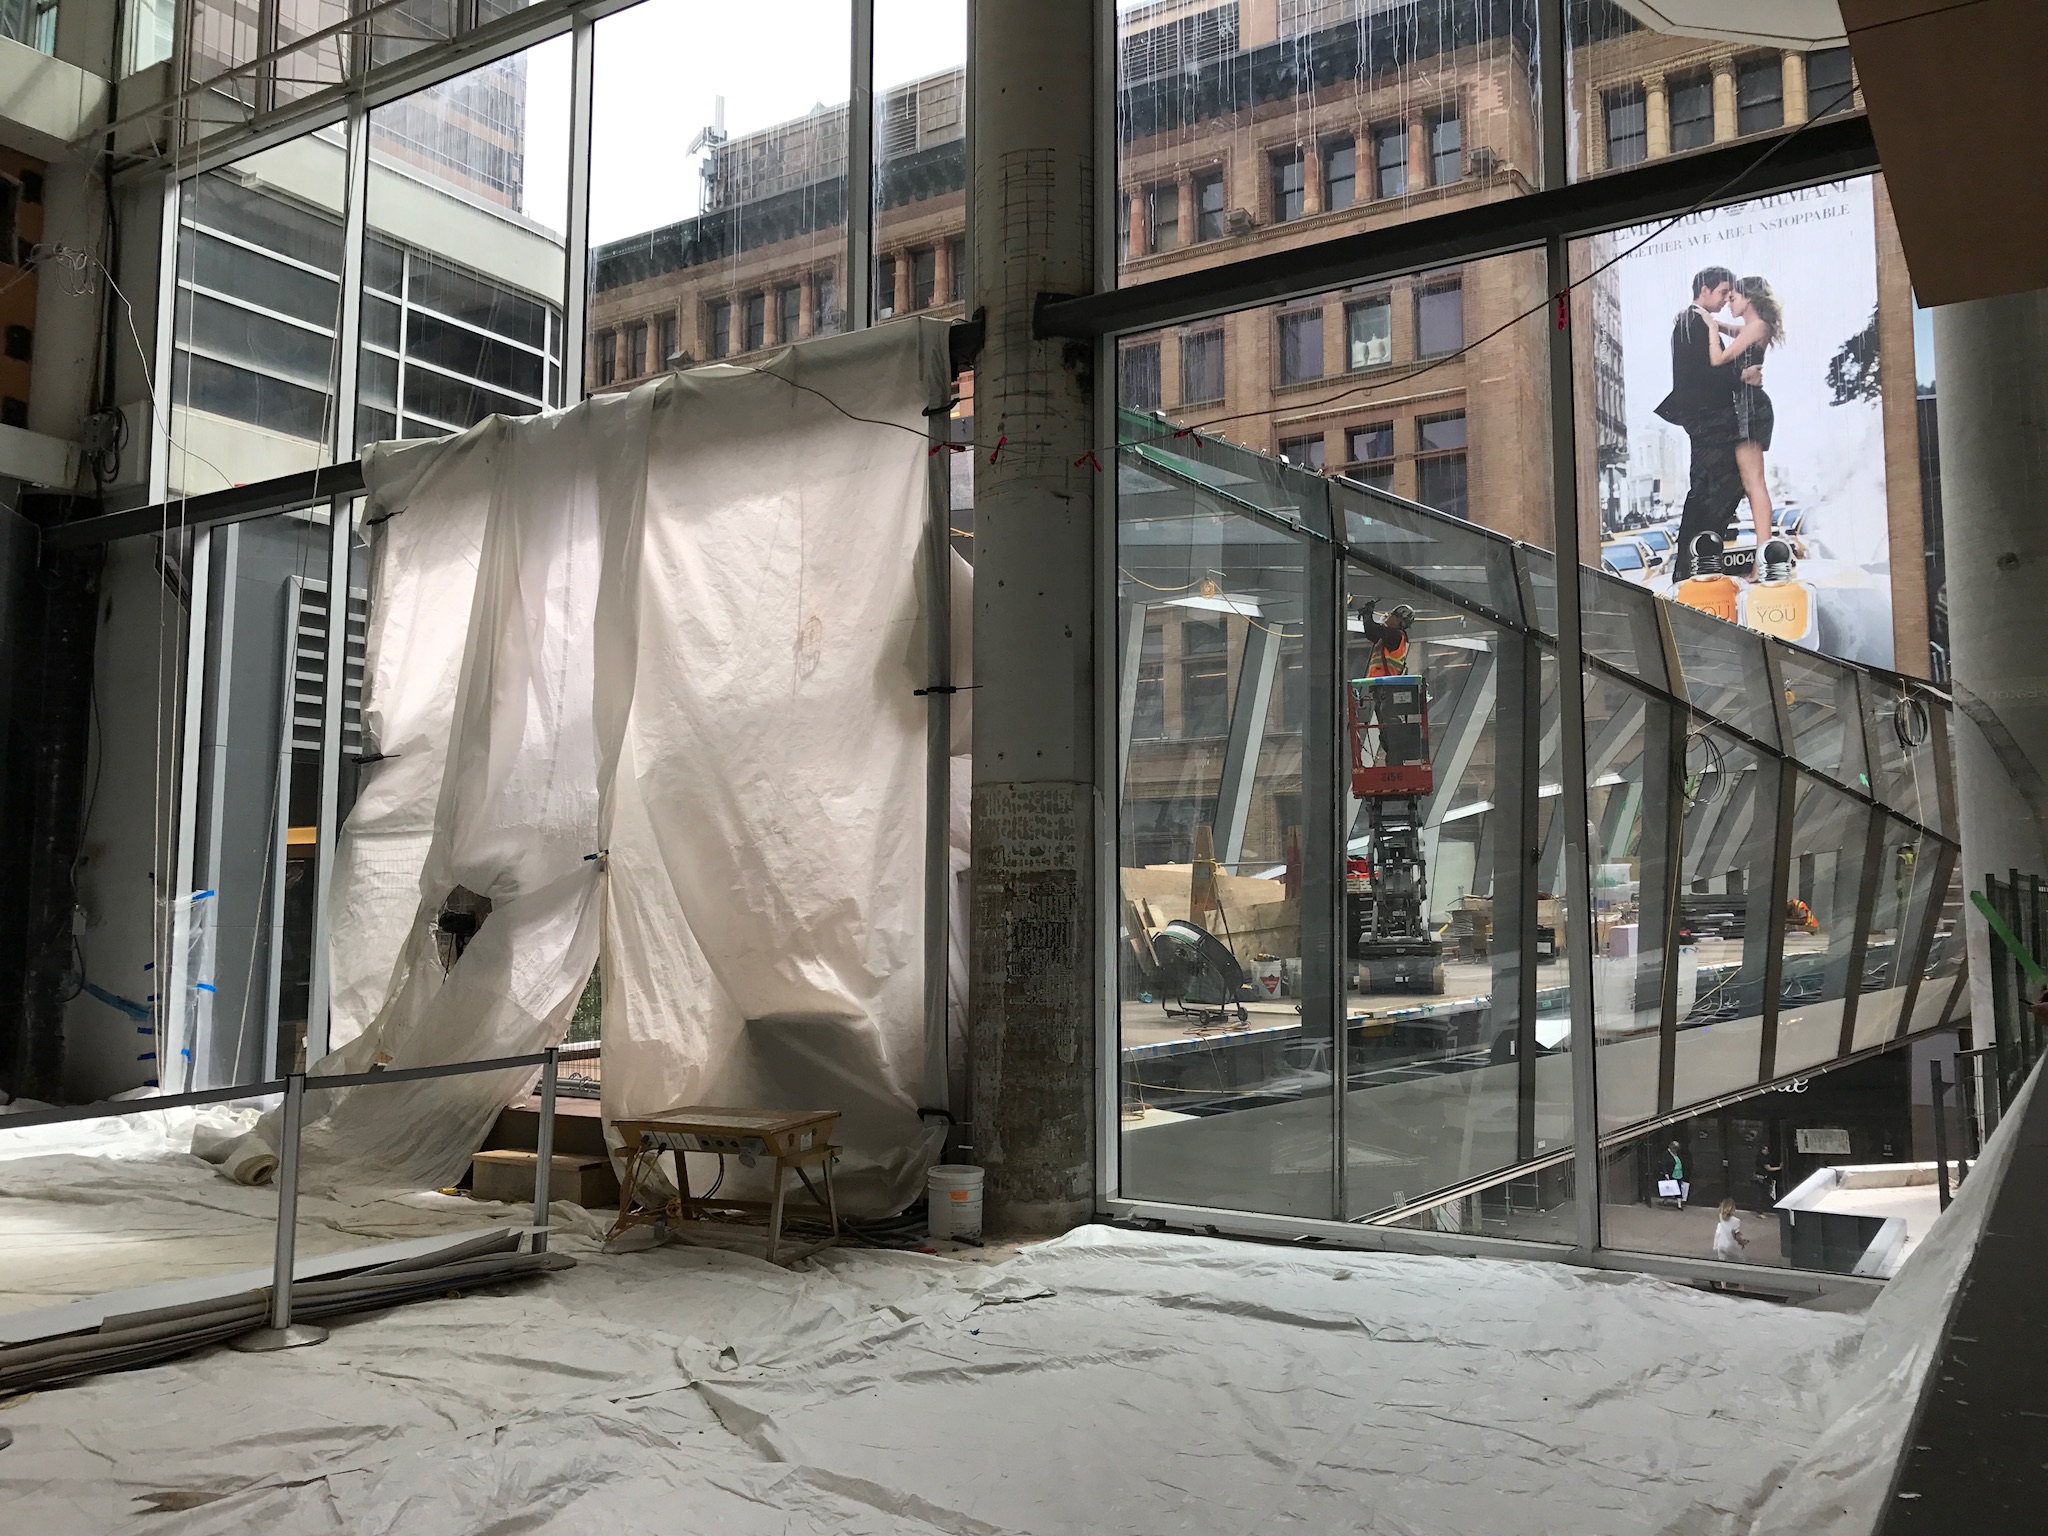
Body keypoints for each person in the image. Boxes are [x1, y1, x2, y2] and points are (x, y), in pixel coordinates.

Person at [1656, 267, 1763, 580]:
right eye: (1722, 292)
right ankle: (1694, 564)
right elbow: (1697, 374)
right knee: (1716, 489)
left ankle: (1695, 563)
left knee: (1709, 489)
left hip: (1707, 419)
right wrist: (1740, 376)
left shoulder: (1695, 320)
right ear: (1704, 289)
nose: (1726, 298)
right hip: (1710, 420)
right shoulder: (1693, 321)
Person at [1707, 275, 1786, 552]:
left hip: (1749, 406)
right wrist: (1713, 323)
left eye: (1733, 297)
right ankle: (1763, 554)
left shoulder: (1756, 327)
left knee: (1754, 484)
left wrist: (1710, 333)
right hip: (1747, 404)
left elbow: (1719, 359)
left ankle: (1763, 556)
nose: (1729, 303)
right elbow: (1733, 330)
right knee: (1751, 483)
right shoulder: (1753, 327)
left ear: (1748, 298)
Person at [1659, 1140, 1687, 1209]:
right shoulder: (1666, 1154)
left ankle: (1679, 1205)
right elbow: (1664, 1164)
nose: (1676, 1150)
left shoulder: (1677, 1153)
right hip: (1672, 1173)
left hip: (1679, 1173)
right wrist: (1665, 1173)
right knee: (1670, 1188)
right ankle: (1665, 1200)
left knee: (1678, 1188)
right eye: (1675, 1148)